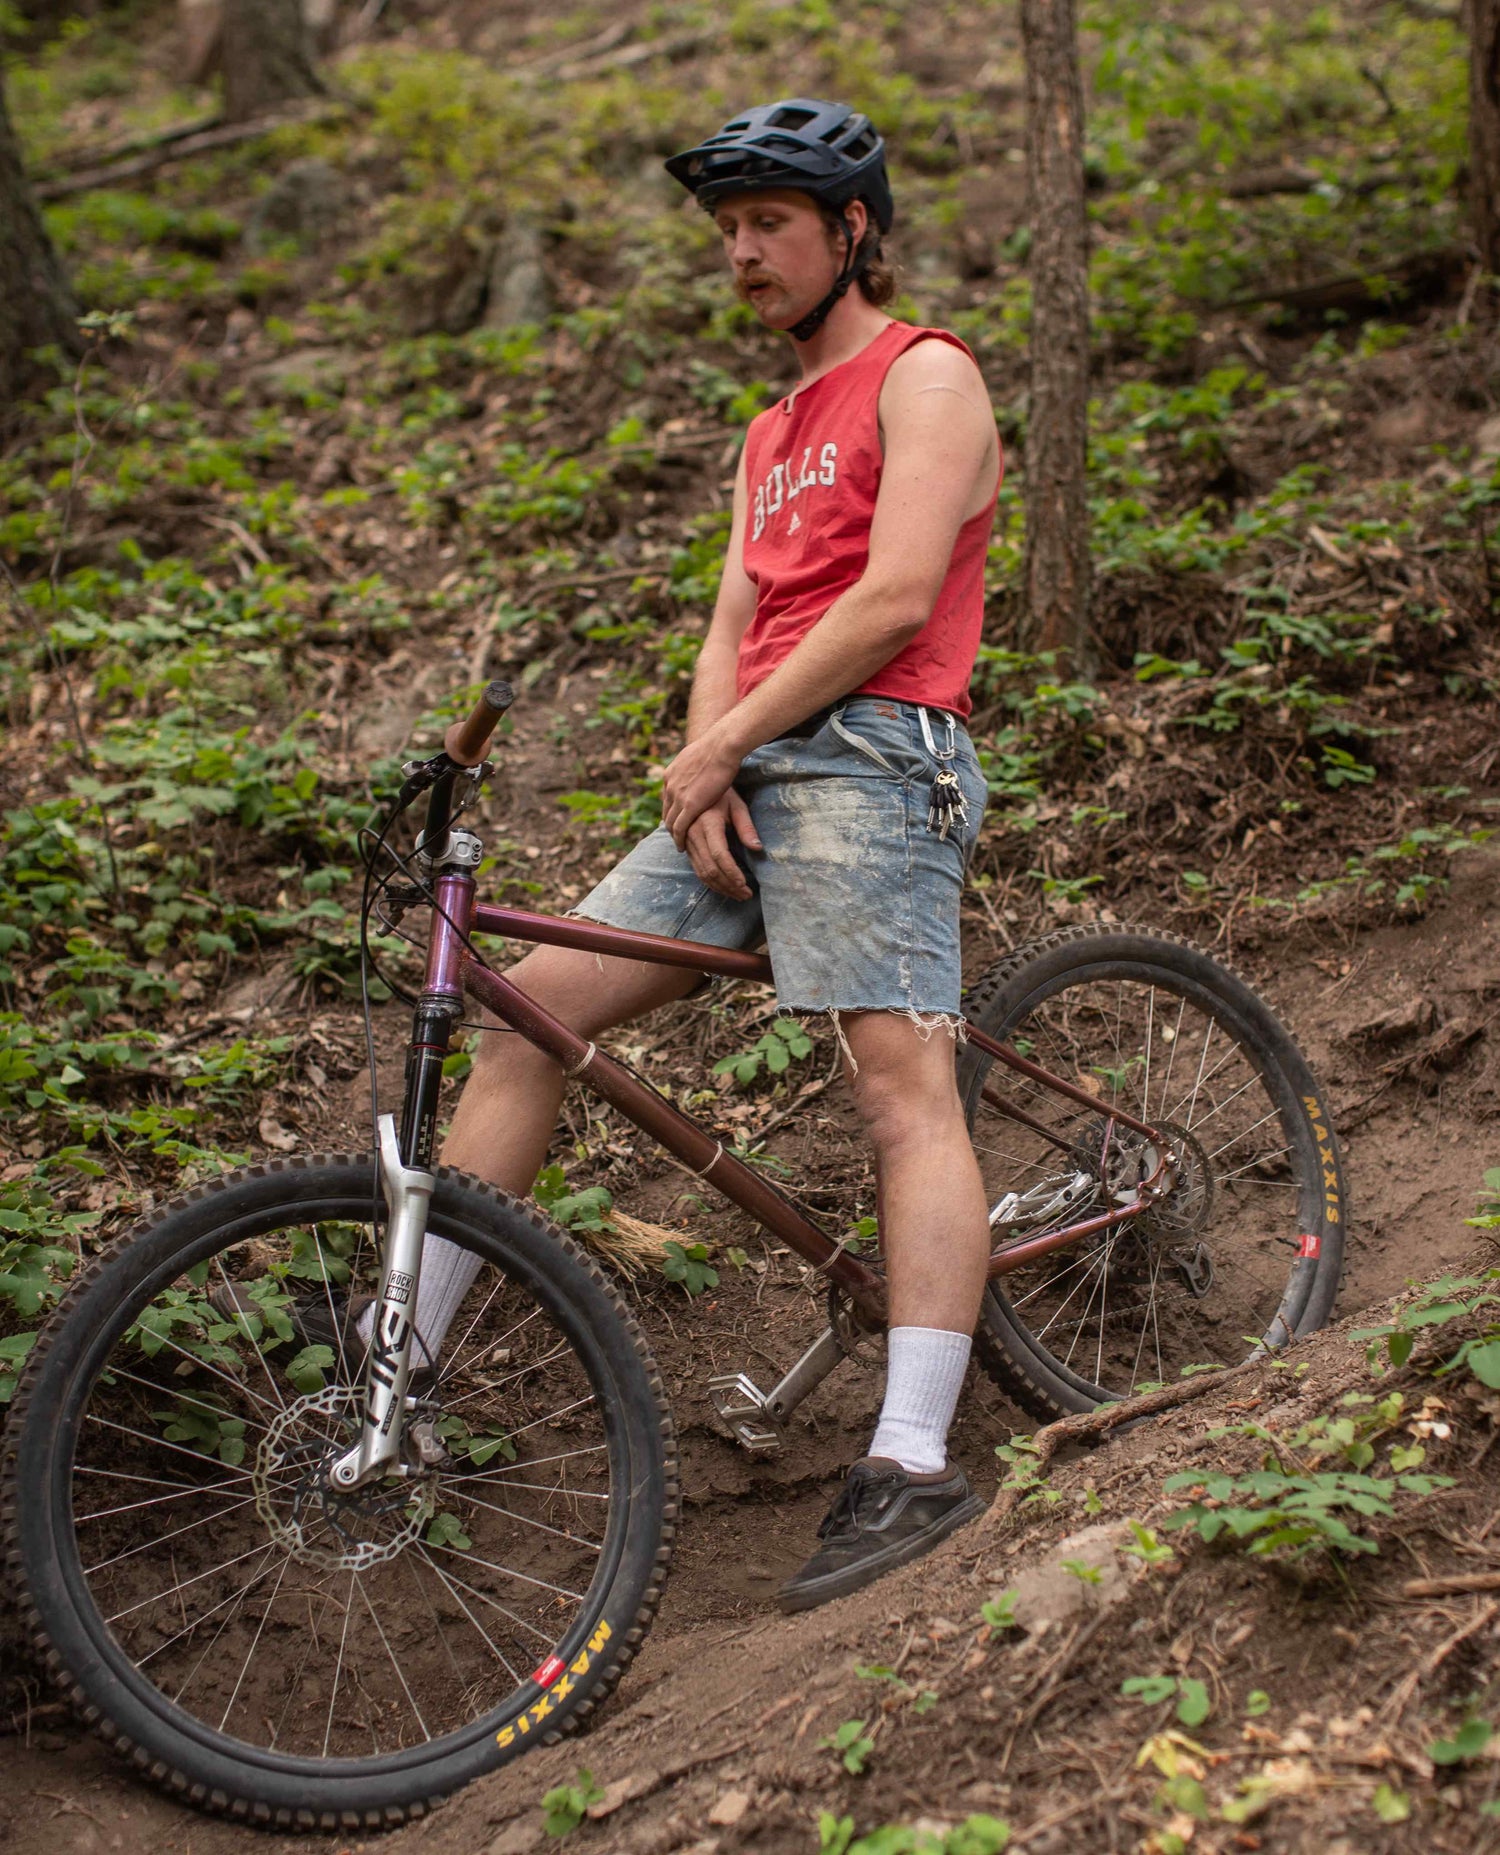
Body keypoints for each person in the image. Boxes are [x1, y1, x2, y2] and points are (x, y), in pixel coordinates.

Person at [428, 99, 999, 1610]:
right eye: (728, 231)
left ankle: (918, 1459)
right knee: (526, 1014)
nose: (740, 253)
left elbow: (891, 602)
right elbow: (735, 624)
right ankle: (399, 1370)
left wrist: (725, 743)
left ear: (852, 231)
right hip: (750, 767)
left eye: (770, 227)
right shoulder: (769, 431)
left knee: (901, 1087)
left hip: (879, 749)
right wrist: (702, 773)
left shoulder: (925, 374)